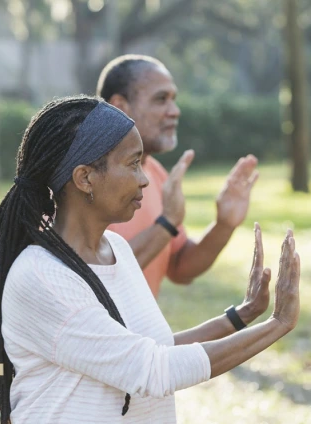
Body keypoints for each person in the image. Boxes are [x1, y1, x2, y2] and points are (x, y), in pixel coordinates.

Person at [0, 96, 301, 424]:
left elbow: (152, 351)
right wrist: (278, 324)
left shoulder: (117, 249)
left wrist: (240, 315)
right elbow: (152, 370)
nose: (145, 179)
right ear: (85, 177)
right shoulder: (42, 276)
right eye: (133, 164)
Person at [96, 54, 258, 298]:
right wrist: (167, 222)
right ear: (120, 106)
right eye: (161, 99)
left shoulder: (155, 173)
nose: (175, 111)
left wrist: (223, 225)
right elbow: (96, 277)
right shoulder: (87, 178)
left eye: (173, 99)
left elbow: (180, 268)